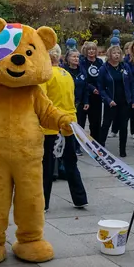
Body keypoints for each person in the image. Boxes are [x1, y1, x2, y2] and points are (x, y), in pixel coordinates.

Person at [40, 49, 88, 210]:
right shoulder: (66, 74)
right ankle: (80, 197)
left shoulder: (46, 76)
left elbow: (42, 101)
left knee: (47, 165)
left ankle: (43, 202)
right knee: (71, 161)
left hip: (52, 125)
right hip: (69, 122)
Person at [96, 45, 134, 157]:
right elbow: (101, 87)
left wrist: (133, 100)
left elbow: (131, 84)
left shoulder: (125, 67)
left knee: (123, 126)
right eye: (114, 53)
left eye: (118, 53)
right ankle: (101, 147)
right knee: (106, 124)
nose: (117, 55)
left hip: (124, 101)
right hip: (111, 102)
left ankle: (122, 150)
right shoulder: (104, 68)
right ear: (109, 55)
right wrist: (108, 100)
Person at [78, 41, 104, 136]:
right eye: (89, 49)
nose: (91, 51)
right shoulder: (82, 63)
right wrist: (92, 88)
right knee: (81, 121)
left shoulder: (100, 62)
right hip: (85, 95)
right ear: (86, 51)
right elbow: (83, 78)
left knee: (96, 121)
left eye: (93, 49)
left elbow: (103, 77)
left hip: (97, 96)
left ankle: (96, 142)